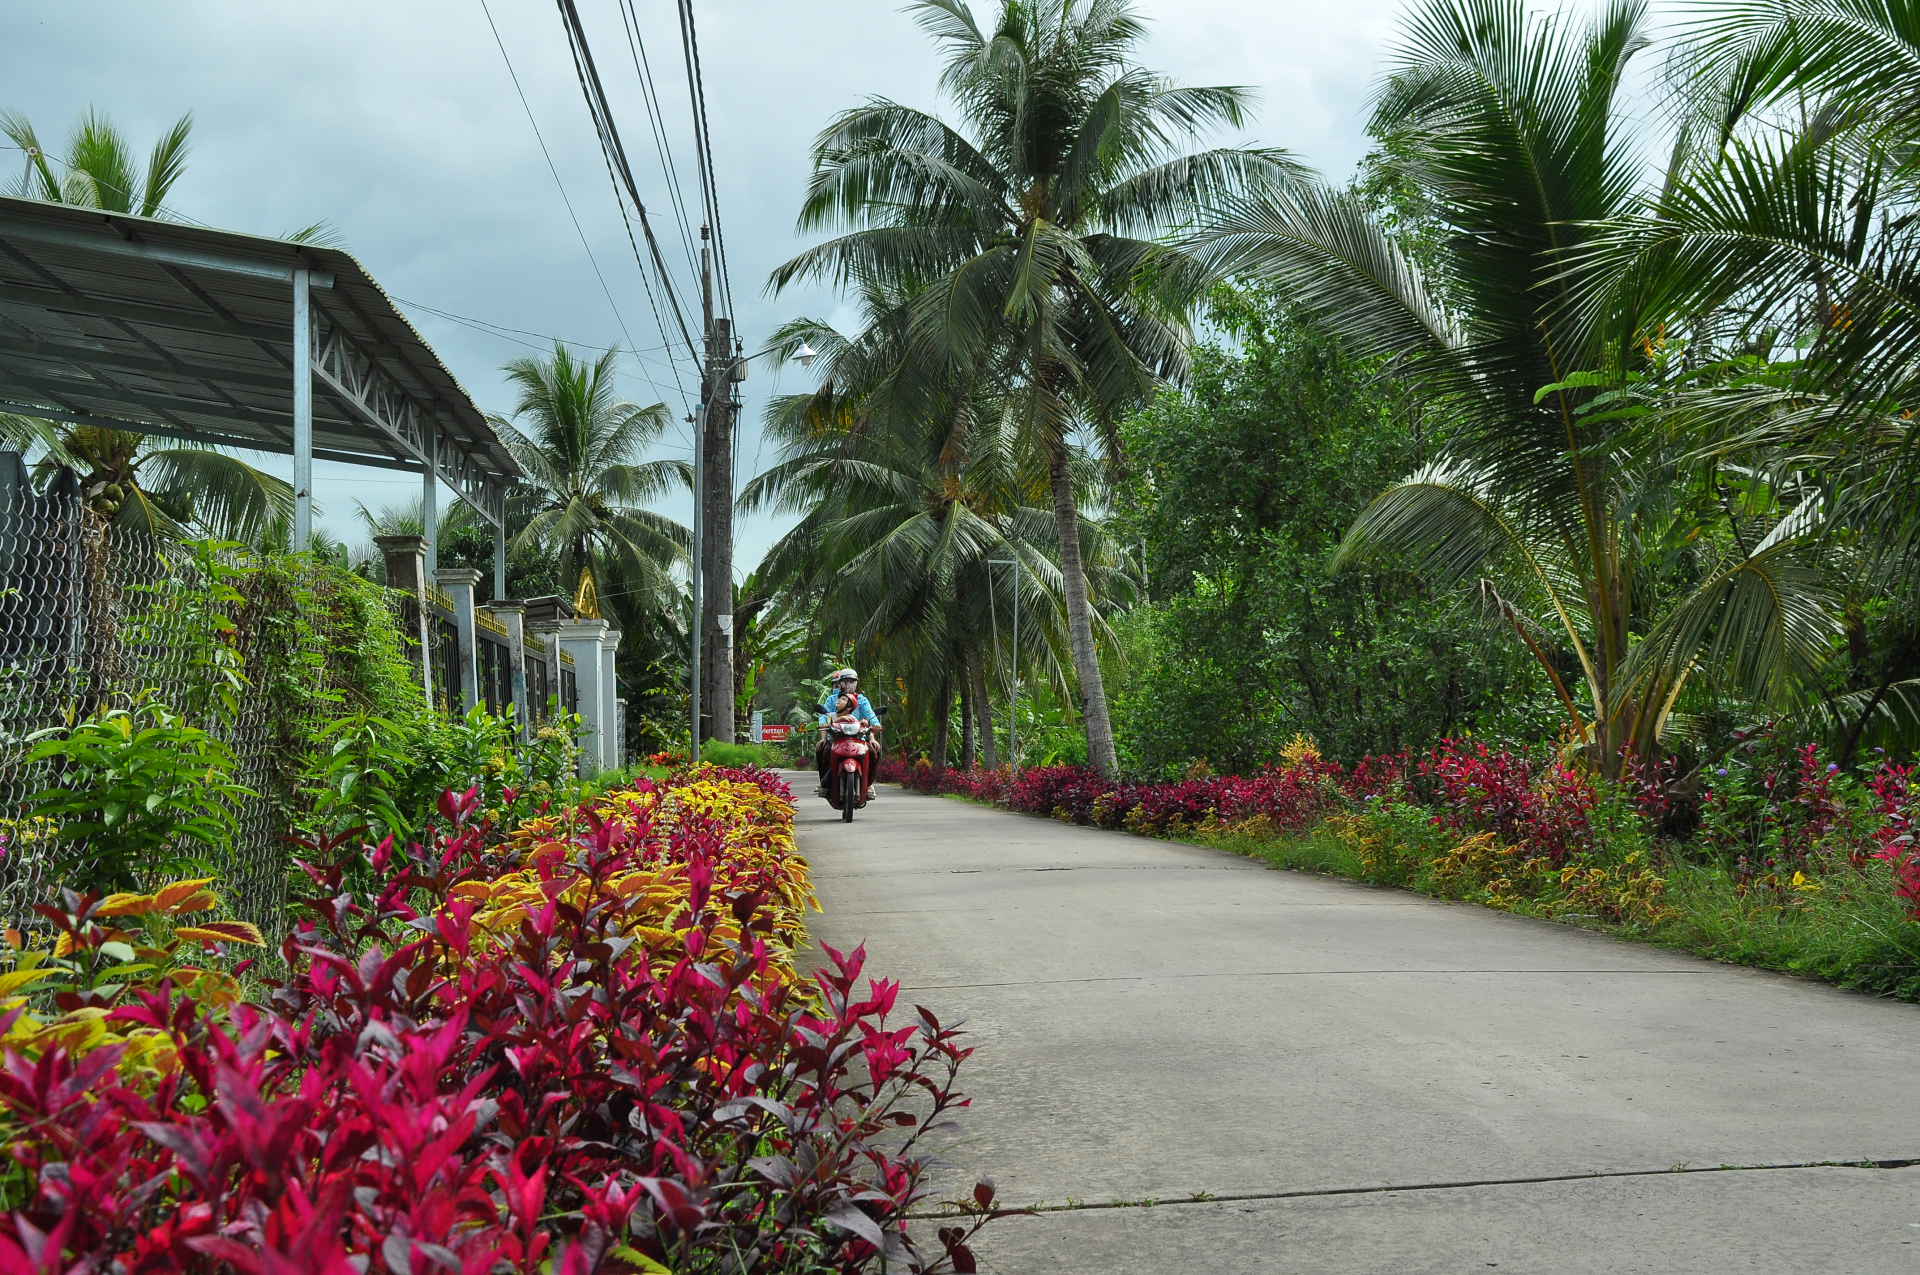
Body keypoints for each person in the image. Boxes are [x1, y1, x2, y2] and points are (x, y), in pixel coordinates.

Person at [815, 668, 881, 796]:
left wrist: (875, 725)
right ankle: (824, 783)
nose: (848, 684)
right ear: (840, 683)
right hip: (836, 738)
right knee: (822, 750)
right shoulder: (832, 699)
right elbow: (824, 716)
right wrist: (823, 735)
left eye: (852, 681)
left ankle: (869, 783)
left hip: (859, 738)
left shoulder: (861, 700)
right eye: (845, 681)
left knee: (874, 752)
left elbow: (870, 715)